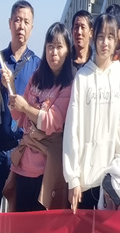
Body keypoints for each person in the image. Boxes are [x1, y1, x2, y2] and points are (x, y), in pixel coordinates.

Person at [63, 13, 120, 211]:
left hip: (111, 180)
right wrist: (73, 178)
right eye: (102, 36)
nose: (105, 43)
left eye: (111, 37)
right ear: (94, 37)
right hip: (84, 179)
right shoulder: (82, 77)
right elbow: (72, 129)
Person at [7, 22, 75, 212]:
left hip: (46, 170)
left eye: (59, 47)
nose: (54, 52)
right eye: (50, 46)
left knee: (42, 232)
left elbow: (52, 122)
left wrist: (25, 107)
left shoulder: (69, 85)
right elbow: (19, 118)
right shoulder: (36, 78)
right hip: (23, 166)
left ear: (68, 51)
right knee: (19, 230)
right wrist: (11, 94)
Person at [0, 0, 41, 213]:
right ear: (9, 23)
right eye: (17, 20)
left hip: (24, 148)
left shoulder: (38, 65)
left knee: (21, 213)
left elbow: (40, 106)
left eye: (26, 22)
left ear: (32, 28)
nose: (21, 26)